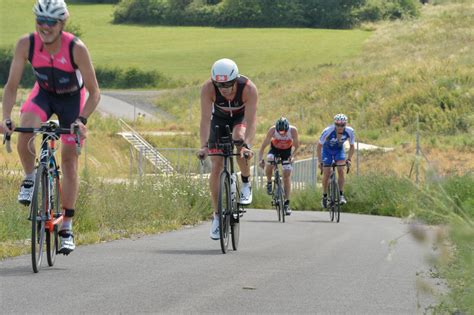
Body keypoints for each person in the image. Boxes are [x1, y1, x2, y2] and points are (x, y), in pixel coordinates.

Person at [2, 0, 100, 255]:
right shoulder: (27, 44)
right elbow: (11, 86)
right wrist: (5, 117)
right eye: (40, 21)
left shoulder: (76, 48)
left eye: (50, 22)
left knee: (69, 161)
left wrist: (82, 120)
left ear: (62, 23)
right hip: (43, 95)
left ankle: (66, 224)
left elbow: (94, 92)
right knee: (26, 130)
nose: (44, 27)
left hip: (72, 101)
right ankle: (30, 178)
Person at [198, 58, 258, 240]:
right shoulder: (208, 88)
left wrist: (247, 144)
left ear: (235, 80)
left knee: (238, 140)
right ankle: (217, 216)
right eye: (220, 85)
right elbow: (205, 119)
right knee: (216, 166)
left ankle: (246, 182)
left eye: (228, 85)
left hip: (240, 119)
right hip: (219, 119)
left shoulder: (248, 89)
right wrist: (204, 146)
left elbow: (251, 120)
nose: (224, 89)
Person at [258, 117, 299, 215]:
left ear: (287, 128)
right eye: (279, 132)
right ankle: (269, 182)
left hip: (287, 152)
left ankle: (287, 203)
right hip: (275, 150)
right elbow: (263, 147)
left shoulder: (293, 131)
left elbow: (297, 146)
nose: (282, 134)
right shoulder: (272, 130)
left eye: (284, 132)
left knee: (287, 175)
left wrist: (292, 157)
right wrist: (260, 160)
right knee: (270, 159)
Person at [317, 114, 355, 208]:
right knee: (326, 173)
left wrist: (349, 159)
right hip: (327, 151)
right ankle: (325, 196)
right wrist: (320, 161)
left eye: (342, 125)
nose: (340, 127)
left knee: (341, 170)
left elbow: (352, 146)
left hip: (339, 150)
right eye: (337, 125)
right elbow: (319, 146)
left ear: (345, 125)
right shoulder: (328, 131)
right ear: (335, 124)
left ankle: (341, 195)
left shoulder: (350, 131)